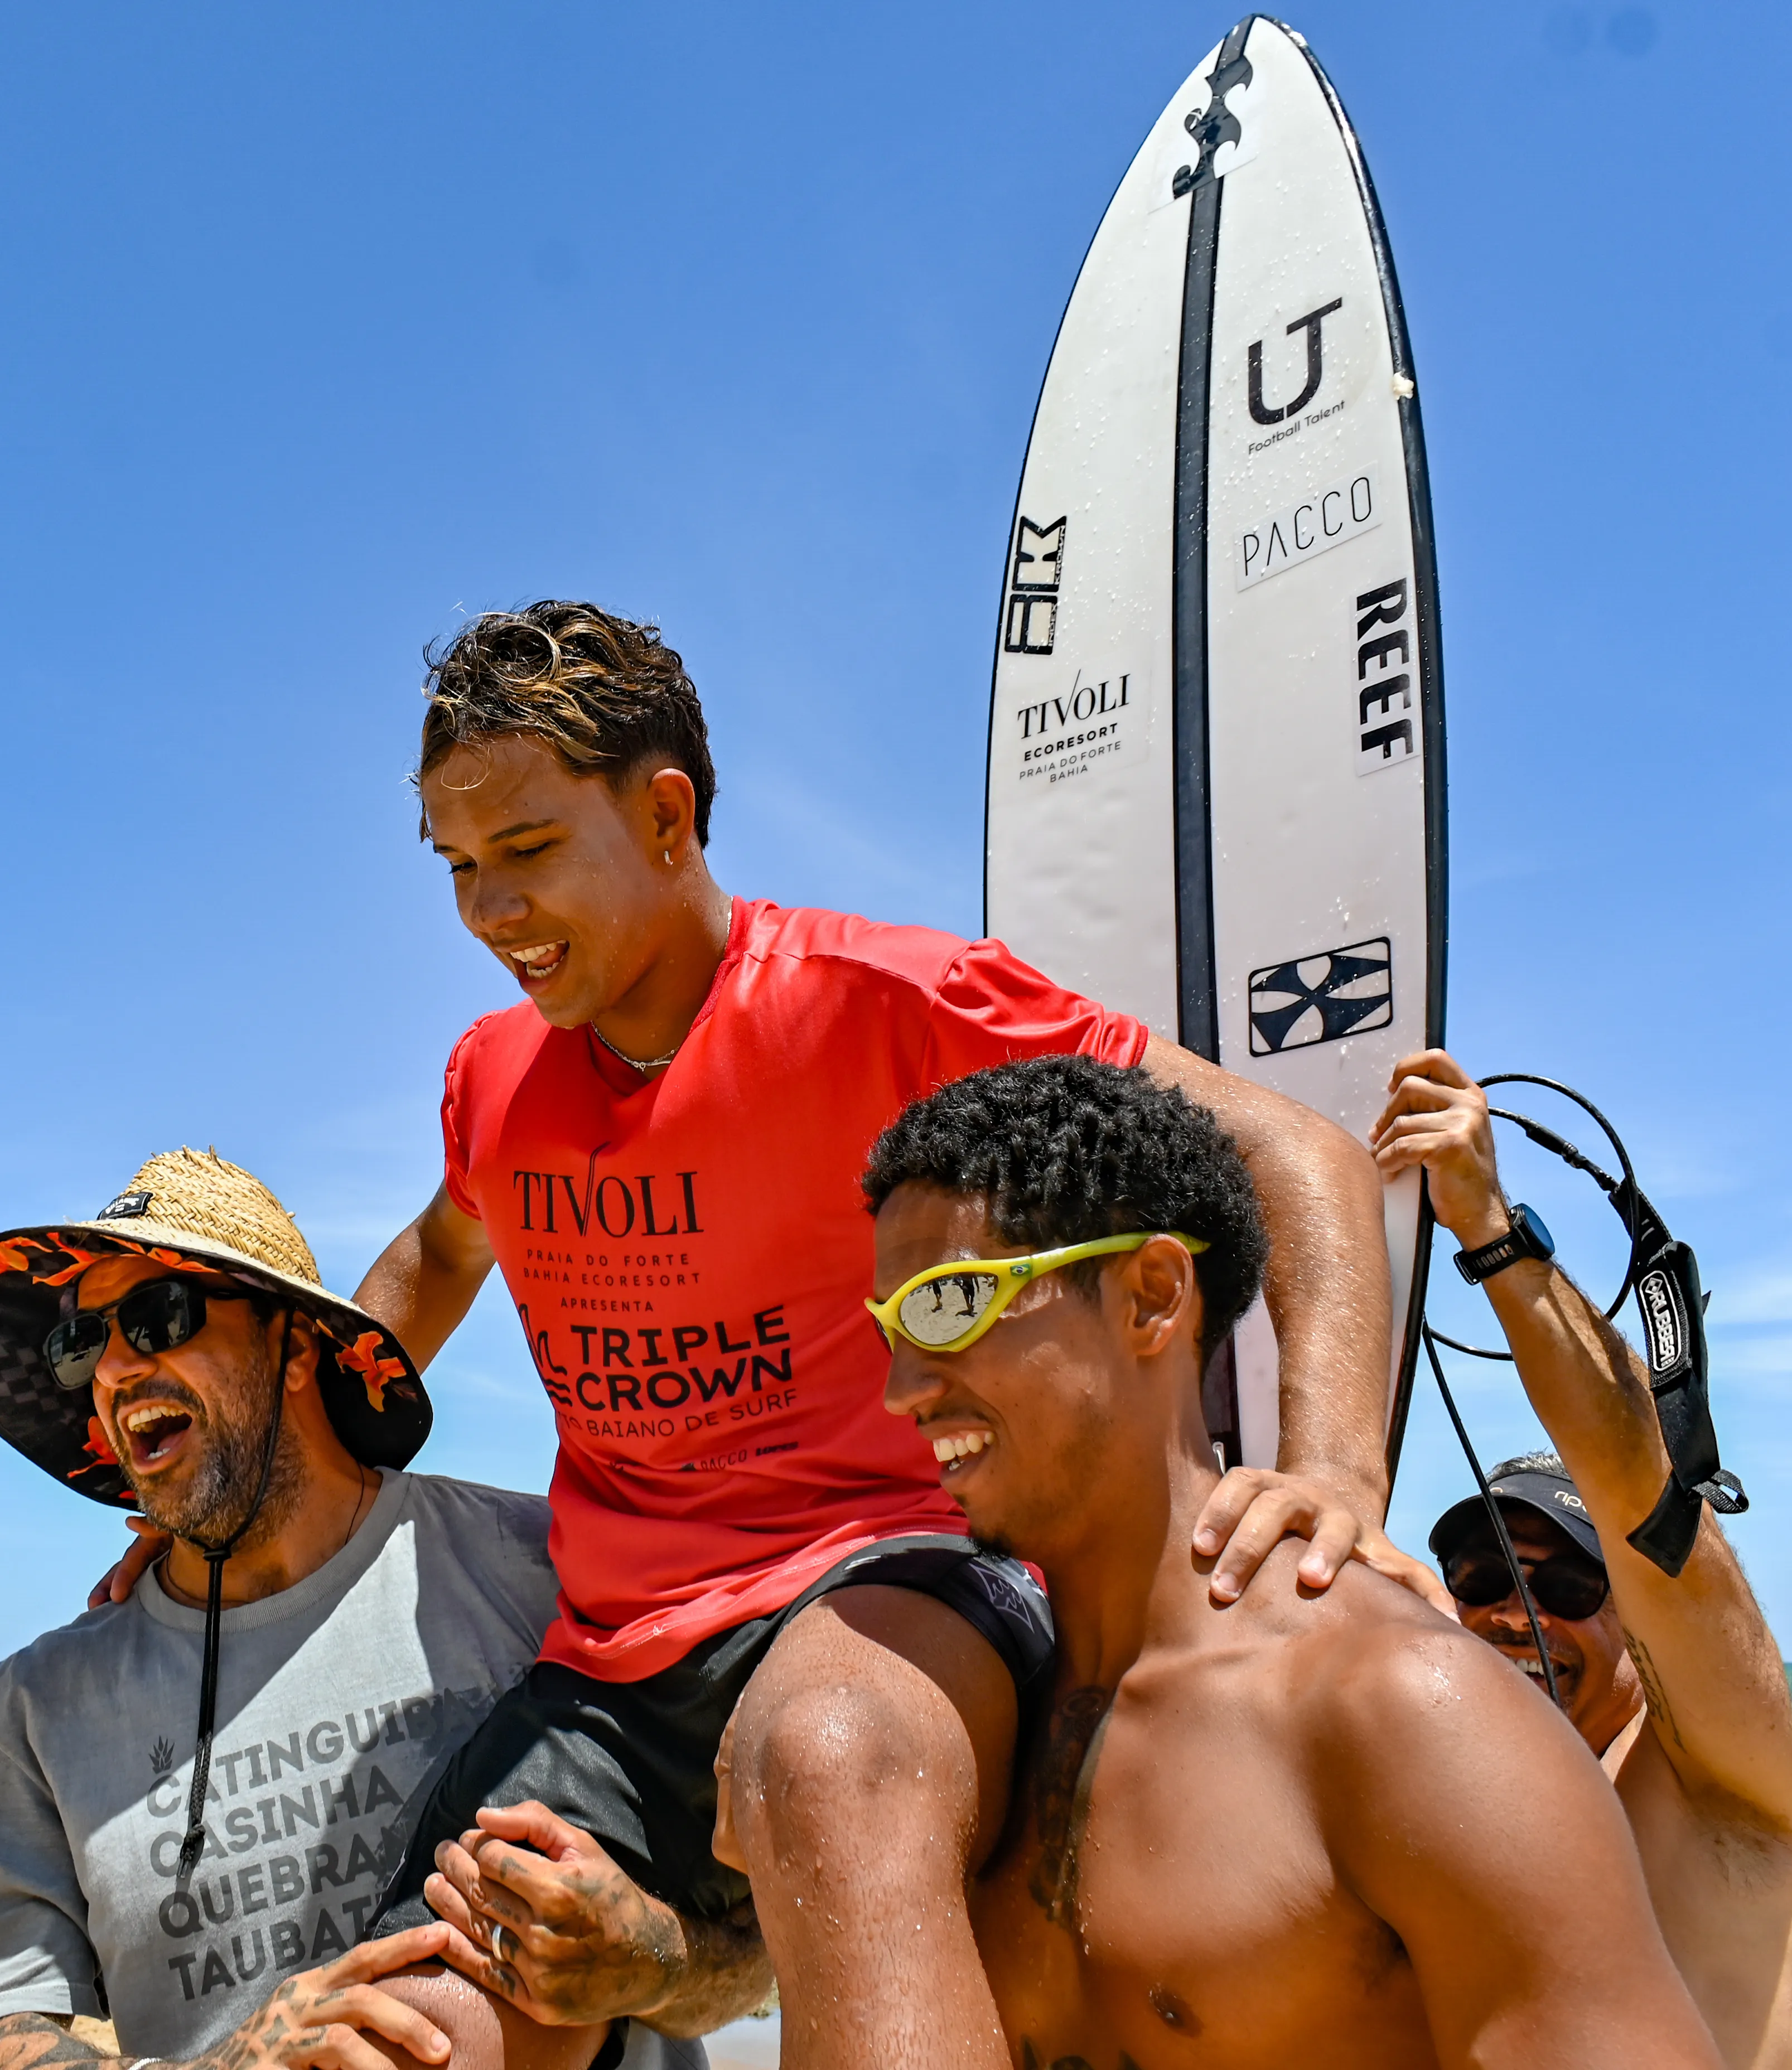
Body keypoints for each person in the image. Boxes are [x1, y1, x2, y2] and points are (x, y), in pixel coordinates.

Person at [342, 602, 1411, 2069]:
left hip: (893, 1588)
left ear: (667, 816)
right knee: (403, 2029)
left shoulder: (887, 1004)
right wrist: (276, 1480)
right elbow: (432, 1255)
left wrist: (1339, 1471)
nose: (490, 913)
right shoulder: (493, 1081)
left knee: (823, 1761)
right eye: (460, 871)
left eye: (525, 853)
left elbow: (1295, 1153)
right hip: (610, 1670)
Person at [863, 1055, 1724, 2067]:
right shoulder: (979, 1731)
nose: (899, 1387)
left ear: (1148, 1295)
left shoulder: (1400, 1710)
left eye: (949, 1301)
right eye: (888, 1326)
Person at [0, 1149, 743, 2069]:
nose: (111, 1368)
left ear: (297, 1346)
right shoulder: (32, 1708)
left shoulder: (545, 1572)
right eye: (81, 1346)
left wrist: (660, 1966)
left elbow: (771, 1929)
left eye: (158, 1316)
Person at [1376, 1049, 1792, 2069]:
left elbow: (1644, 1499)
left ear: (1633, 1610)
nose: (1514, 1614)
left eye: (1571, 1584)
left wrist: (1493, 1234)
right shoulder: (1448, 1807)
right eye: (1483, 1578)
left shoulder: (1714, 1786)